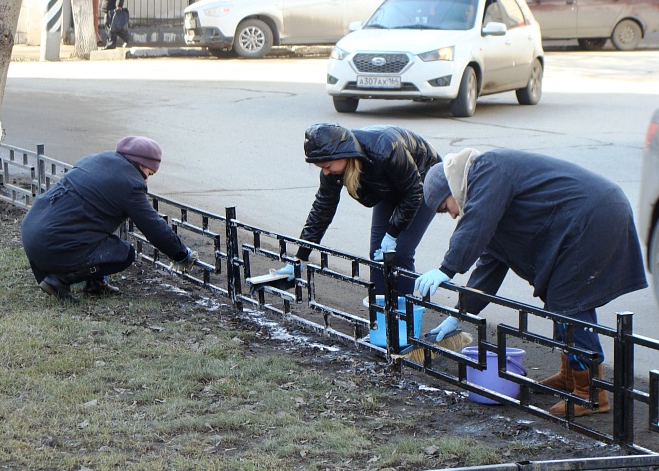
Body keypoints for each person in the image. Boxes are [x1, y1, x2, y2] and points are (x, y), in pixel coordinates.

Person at [416, 148, 648, 416]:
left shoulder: (487, 171)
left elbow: (474, 227)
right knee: (562, 301)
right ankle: (571, 376)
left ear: (452, 187)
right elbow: (488, 271)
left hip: (594, 215)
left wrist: (447, 268)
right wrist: (458, 315)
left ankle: (591, 393)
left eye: (446, 208)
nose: (453, 215)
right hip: (581, 221)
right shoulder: (487, 198)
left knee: (568, 302)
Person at [21, 136, 197, 303]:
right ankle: (59, 280)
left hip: (32, 232)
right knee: (124, 254)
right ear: (141, 165)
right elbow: (153, 227)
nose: (146, 180)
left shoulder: (93, 161)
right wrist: (180, 254)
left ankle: (95, 284)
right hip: (54, 244)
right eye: (149, 174)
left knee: (99, 238)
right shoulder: (129, 184)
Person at [277, 123, 441, 295]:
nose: (325, 173)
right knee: (377, 253)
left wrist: (392, 233)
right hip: (388, 186)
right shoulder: (334, 168)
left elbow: (413, 193)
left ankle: (404, 314)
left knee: (399, 252)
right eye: (321, 168)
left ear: (342, 154)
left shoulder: (384, 149)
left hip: (424, 181)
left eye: (327, 166)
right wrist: (301, 258)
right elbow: (322, 209)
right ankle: (381, 311)